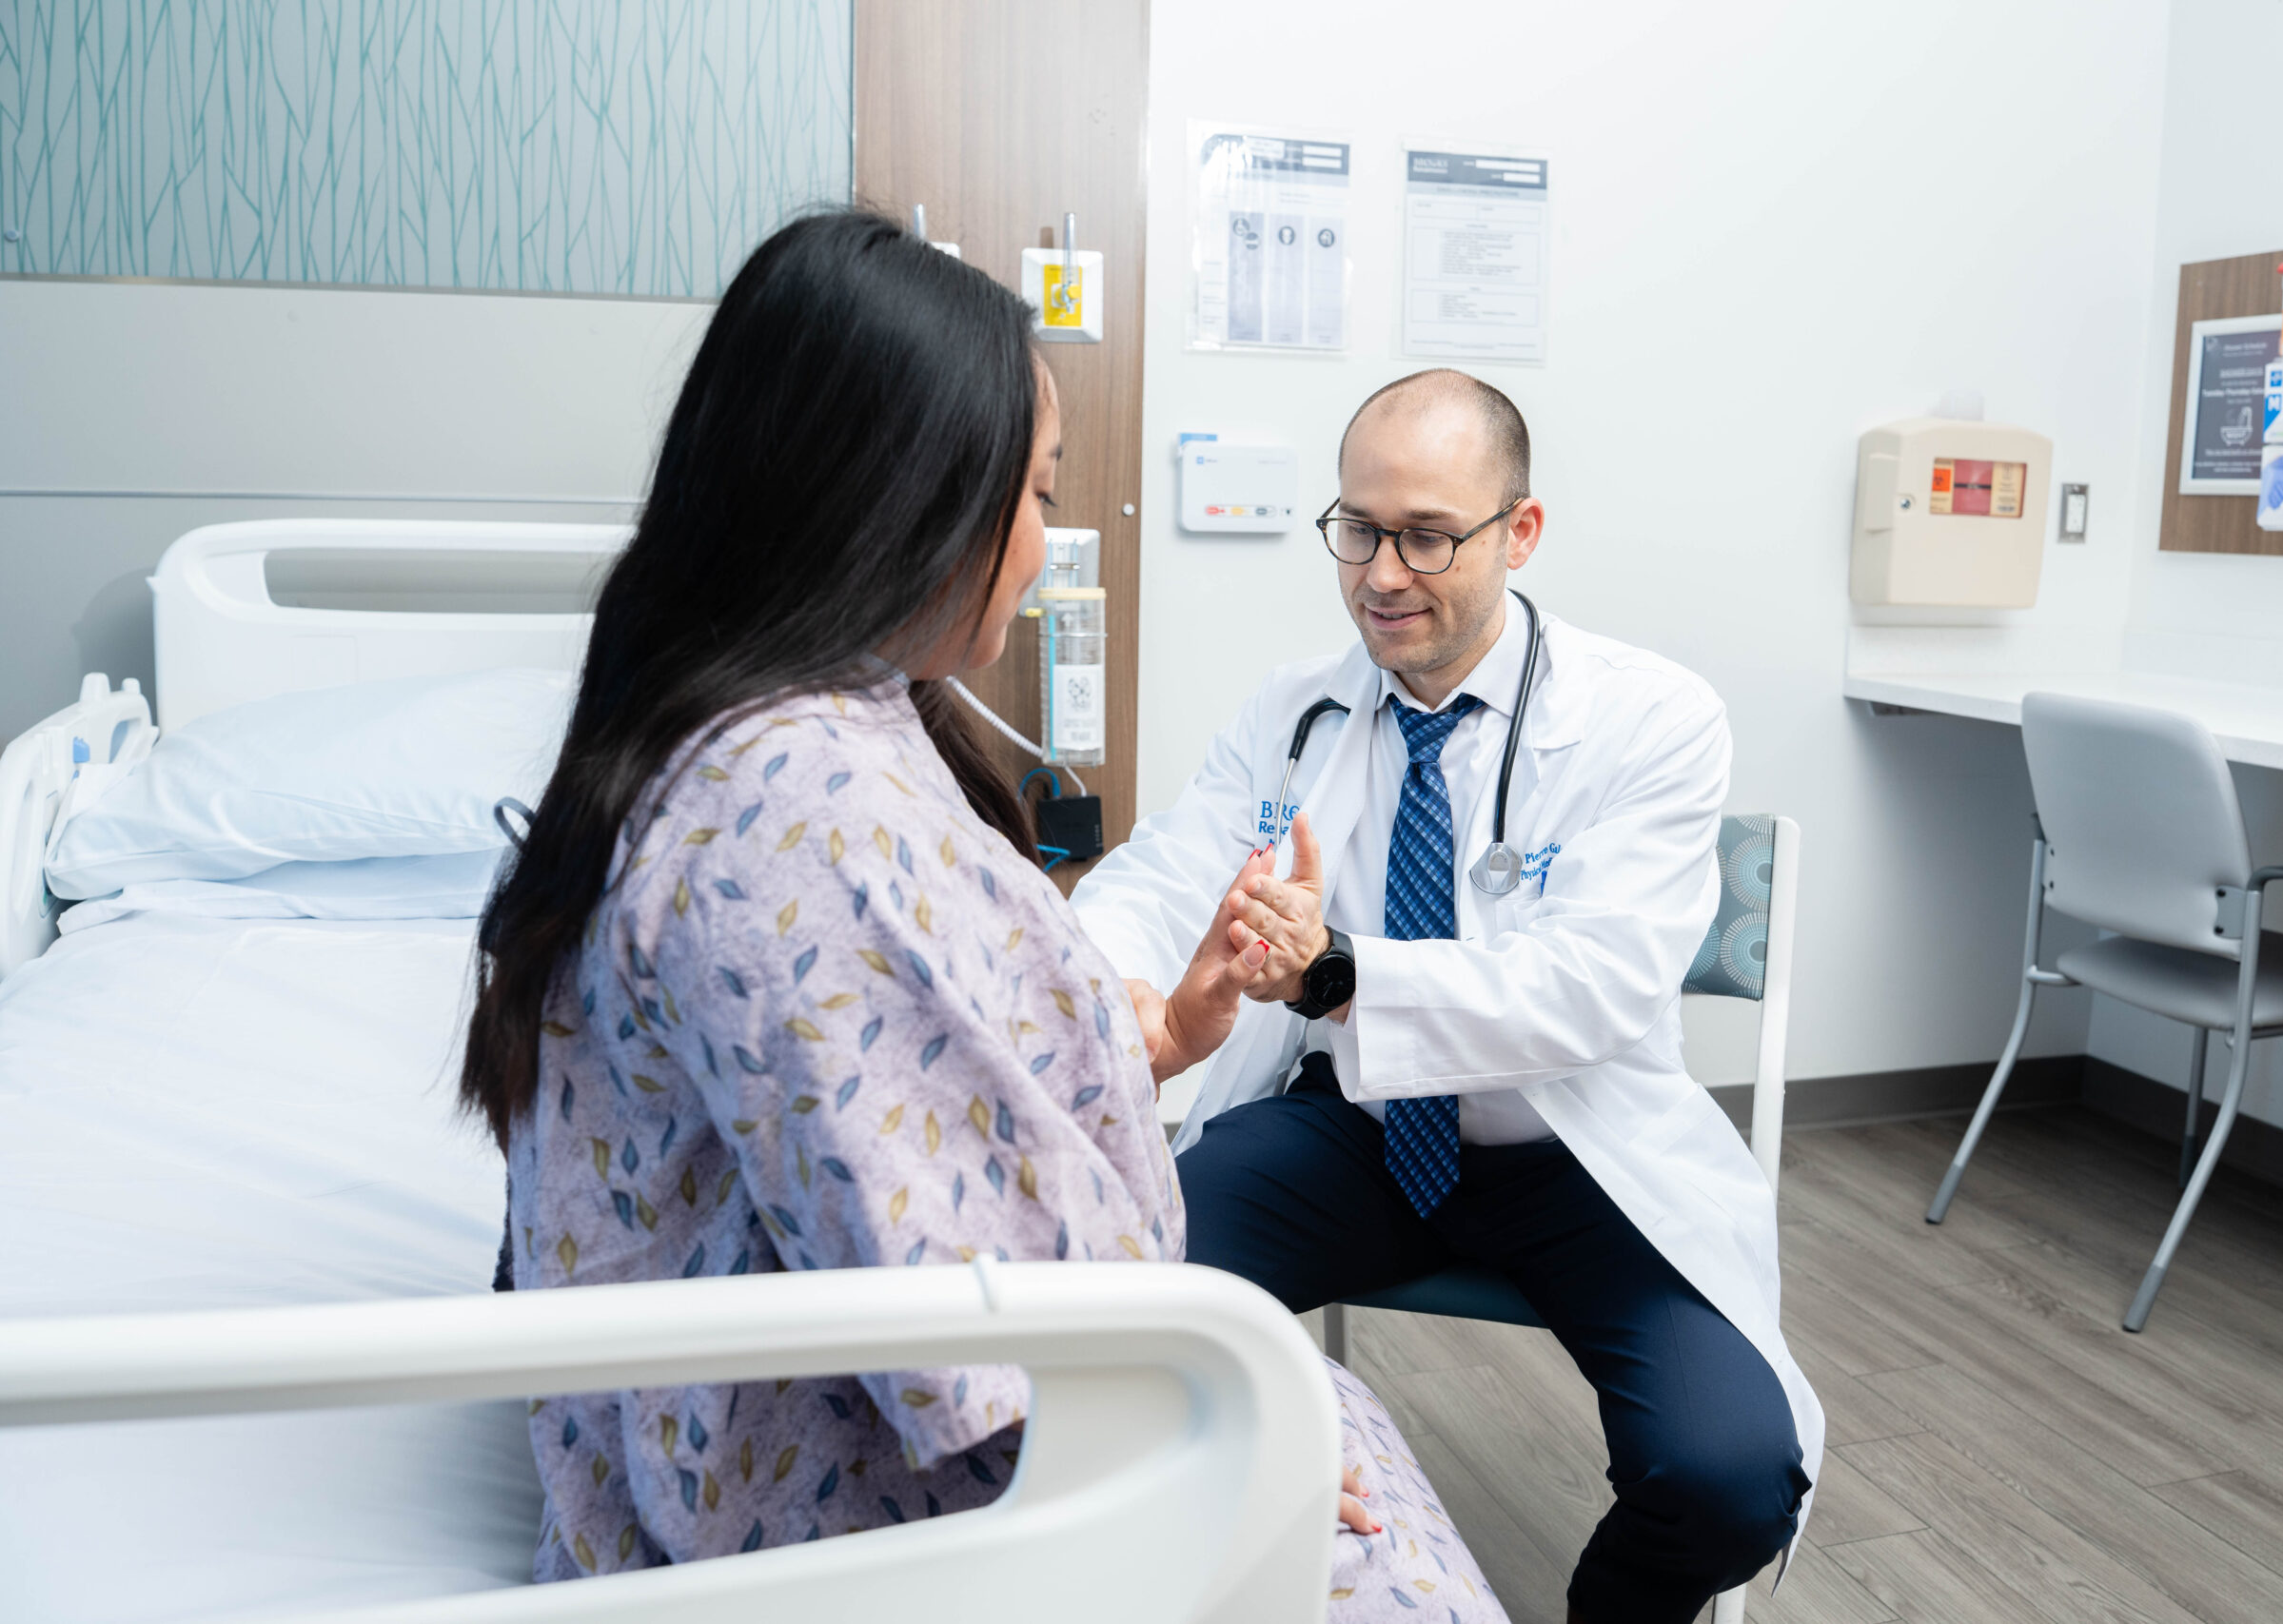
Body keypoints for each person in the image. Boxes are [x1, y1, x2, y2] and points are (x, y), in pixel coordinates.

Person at [461, 213, 1508, 1620]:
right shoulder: (799, 815)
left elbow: (885, 1086)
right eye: (1033, 495)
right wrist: (1223, 1437)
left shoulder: (800, 724)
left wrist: (1158, 1030)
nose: (1045, 544)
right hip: (901, 1500)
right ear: (902, 503)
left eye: (1425, 536)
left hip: (1528, 1151)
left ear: (1518, 533)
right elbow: (959, 1310)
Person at [1073, 370, 1823, 1624]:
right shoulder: (1296, 712)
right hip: (1354, 1133)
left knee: (1732, 1477)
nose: (1381, 573)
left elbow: (1589, 987)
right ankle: (1256, 1531)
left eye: (1427, 536)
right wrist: (1097, 996)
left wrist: (1333, 973)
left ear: (1519, 534)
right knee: (1117, 1310)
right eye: (1357, 530)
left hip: (1570, 1148)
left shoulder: (1649, 720)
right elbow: (1168, 871)